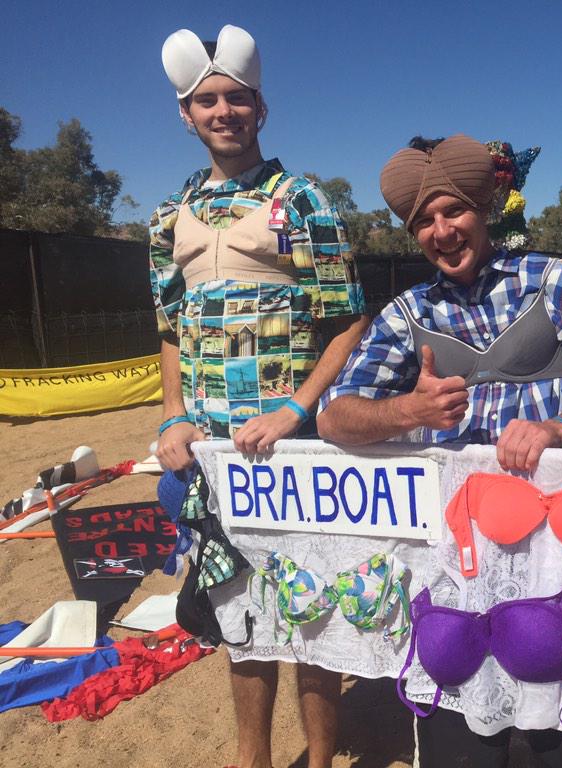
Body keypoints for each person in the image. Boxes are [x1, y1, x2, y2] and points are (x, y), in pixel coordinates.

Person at [318, 134, 562, 765]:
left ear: (484, 209)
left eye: (453, 211)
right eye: (425, 221)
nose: (442, 230)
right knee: (462, 733)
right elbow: (334, 418)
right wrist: (411, 409)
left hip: (557, 545)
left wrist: (555, 429)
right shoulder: (406, 315)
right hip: (456, 557)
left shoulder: (558, 287)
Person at [150, 24, 367, 768]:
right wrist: (175, 415)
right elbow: (170, 330)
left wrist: (296, 408)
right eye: (206, 101)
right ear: (186, 115)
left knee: (309, 610)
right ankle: (252, 760)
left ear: (260, 109)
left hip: (293, 447)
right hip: (212, 453)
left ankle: (319, 757)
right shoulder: (165, 219)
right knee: (236, 606)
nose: (222, 112)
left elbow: (347, 320)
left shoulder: (302, 199)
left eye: (236, 100)